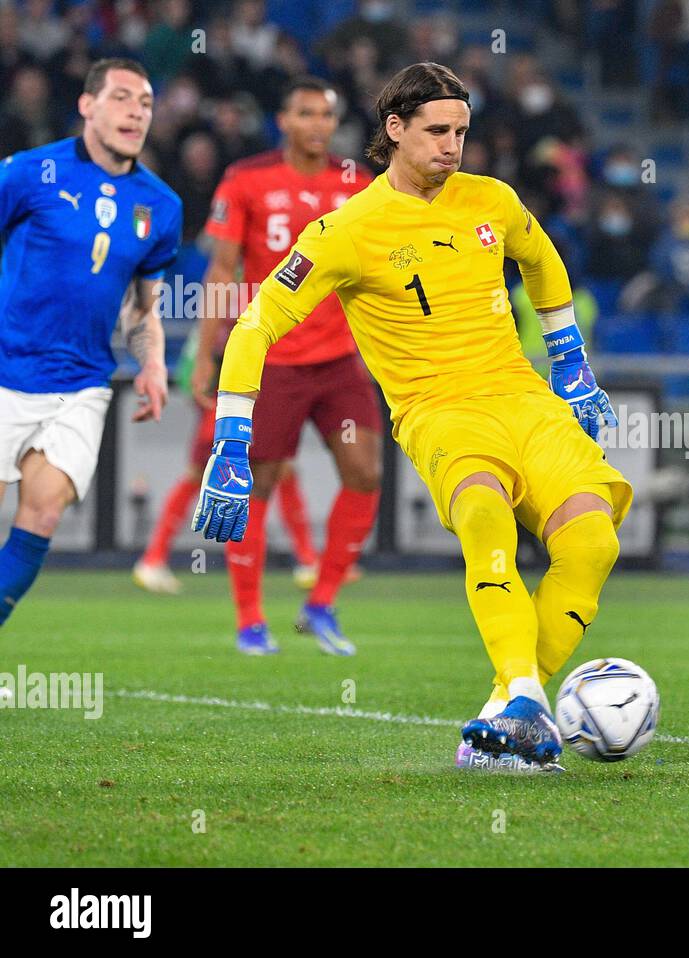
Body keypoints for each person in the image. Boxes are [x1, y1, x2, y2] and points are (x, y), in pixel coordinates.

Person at [193, 62, 631, 773]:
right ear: (394, 130)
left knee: (593, 543)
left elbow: (542, 259)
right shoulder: (347, 230)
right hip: (440, 412)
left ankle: (508, 711)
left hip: (523, 399)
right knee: (486, 518)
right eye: (436, 131)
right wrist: (231, 438)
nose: (452, 145)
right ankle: (522, 690)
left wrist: (571, 363)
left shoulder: (490, 199)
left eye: (461, 130)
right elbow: (254, 326)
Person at [190, 76, 380, 656]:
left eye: (327, 114)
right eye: (306, 113)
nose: (319, 124)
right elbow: (223, 270)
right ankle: (250, 619)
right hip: (272, 358)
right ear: (284, 121)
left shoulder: (359, 184)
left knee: (366, 473)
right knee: (259, 484)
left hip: (340, 359)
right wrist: (206, 352)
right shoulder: (247, 178)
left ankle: (320, 606)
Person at [0, 58, 180, 628]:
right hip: (6, 368)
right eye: (122, 97)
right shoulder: (30, 172)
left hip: (80, 383)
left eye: (146, 102)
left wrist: (151, 363)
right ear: (87, 105)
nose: (135, 111)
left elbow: (141, 308)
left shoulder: (160, 206)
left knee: (43, 515)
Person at [131, 324, 320, 595]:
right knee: (205, 471)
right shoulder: (238, 309)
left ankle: (308, 560)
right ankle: (153, 559)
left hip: (247, 389)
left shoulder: (241, 306)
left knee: (280, 469)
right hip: (235, 393)